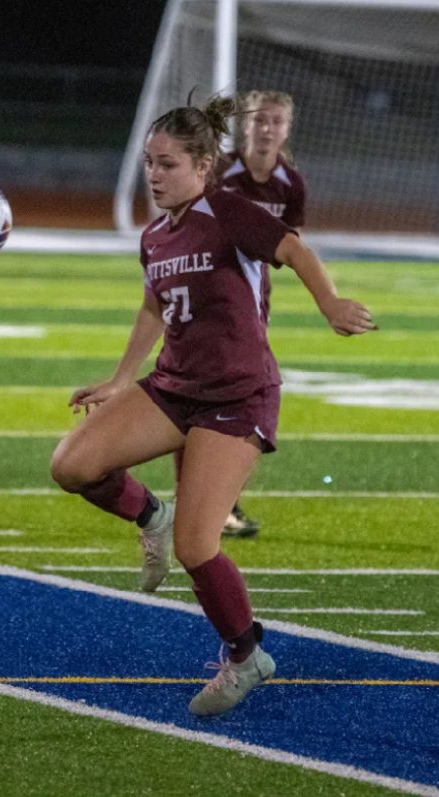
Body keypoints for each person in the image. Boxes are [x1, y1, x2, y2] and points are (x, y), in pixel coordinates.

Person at [49, 95, 376, 716]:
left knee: (201, 548)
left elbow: (295, 251)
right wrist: (122, 379)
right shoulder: (154, 236)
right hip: (174, 387)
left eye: (167, 164)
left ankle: (245, 655)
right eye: (149, 162)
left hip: (237, 396)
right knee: (71, 466)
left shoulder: (230, 212)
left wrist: (331, 305)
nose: (153, 174)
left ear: (203, 166)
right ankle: (151, 518)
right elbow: (154, 305)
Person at [199, 89, 308, 539]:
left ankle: (220, 502)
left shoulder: (291, 184)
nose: (267, 129)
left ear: (287, 128)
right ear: (246, 126)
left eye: (276, 122)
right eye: (260, 120)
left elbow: (289, 246)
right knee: (196, 388)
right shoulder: (222, 170)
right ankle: (210, 501)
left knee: (238, 396)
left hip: (250, 299)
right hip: (204, 289)